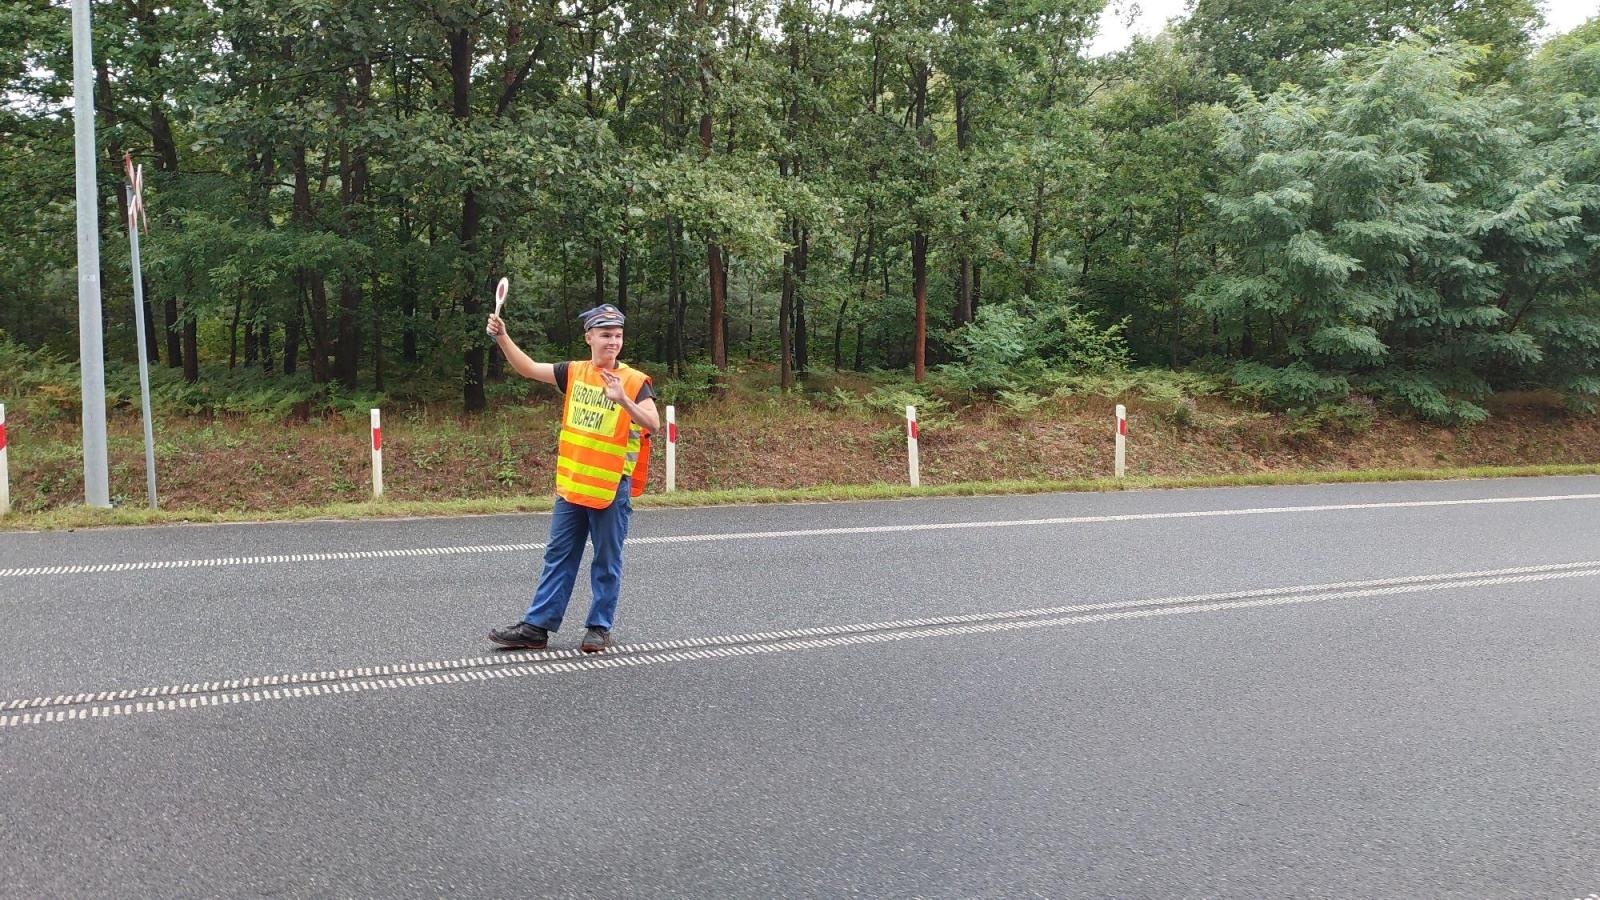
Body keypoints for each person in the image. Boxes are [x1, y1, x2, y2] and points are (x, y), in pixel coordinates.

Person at [486, 303, 661, 653]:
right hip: (572, 486)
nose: (613, 342)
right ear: (589, 338)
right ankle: (536, 628)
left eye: (618, 335)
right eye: (606, 335)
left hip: (610, 488)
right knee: (558, 557)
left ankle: (599, 627)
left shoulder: (633, 382)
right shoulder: (574, 372)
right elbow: (528, 368)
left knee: (606, 560)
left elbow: (653, 424)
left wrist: (623, 400)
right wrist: (502, 337)